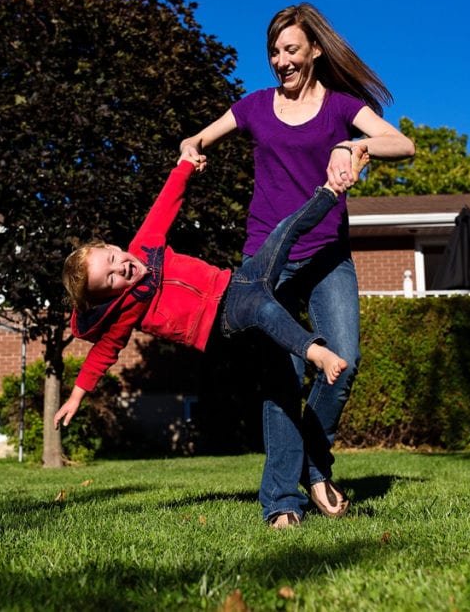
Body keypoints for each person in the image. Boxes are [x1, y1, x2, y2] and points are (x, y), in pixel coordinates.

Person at [179, 3, 415, 527]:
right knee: (281, 377)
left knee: (344, 359)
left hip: (327, 252)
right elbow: (199, 136)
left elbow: (403, 142)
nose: (281, 60)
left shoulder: (340, 108)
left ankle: (315, 462)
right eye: (273, 52)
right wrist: (190, 148)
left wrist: (354, 146)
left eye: (290, 50)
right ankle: (282, 501)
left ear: (313, 51)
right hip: (267, 262)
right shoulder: (255, 107)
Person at [54, 148, 370, 447]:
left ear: (113, 248)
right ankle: (317, 353)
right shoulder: (127, 309)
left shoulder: (144, 245)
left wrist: (186, 166)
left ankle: (332, 188)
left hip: (237, 281)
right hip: (224, 318)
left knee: (283, 232)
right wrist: (76, 396)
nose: (119, 270)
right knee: (267, 311)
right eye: (109, 280)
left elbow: (166, 203)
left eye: (112, 260)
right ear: (109, 295)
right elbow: (103, 354)